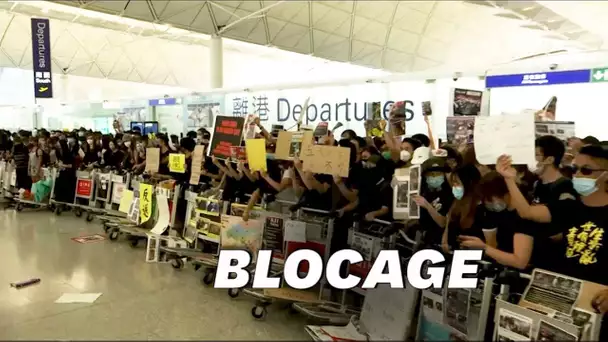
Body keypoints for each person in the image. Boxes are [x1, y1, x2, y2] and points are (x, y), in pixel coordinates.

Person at [497, 146, 608, 338]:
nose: (578, 175)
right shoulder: (570, 207)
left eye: (586, 170)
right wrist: (509, 179)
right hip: (564, 299)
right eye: (575, 169)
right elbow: (527, 212)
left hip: (598, 304)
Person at [458, 171, 535, 270]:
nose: (488, 204)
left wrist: (485, 248)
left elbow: (520, 262)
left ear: (507, 193)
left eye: (490, 199)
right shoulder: (498, 212)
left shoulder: (523, 216)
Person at [442, 164, 486, 253]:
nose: (454, 187)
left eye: (457, 183)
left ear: (468, 183)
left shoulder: (481, 208)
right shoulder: (456, 203)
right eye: (453, 183)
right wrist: (445, 242)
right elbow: (448, 224)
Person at [413, 157, 453, 245]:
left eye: (438, 174)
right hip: (426, 238)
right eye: (431, 174)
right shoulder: (424, 192)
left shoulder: (449, 194)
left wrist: (428, 206)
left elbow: (443, 223)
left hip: (441, 240)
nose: (434, 177)